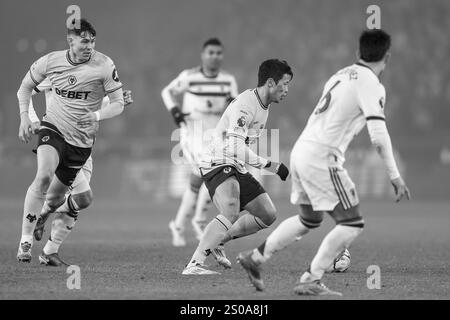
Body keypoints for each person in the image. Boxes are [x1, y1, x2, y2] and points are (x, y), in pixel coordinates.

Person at [237, 29, 411, 296]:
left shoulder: (339, 76)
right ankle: (310, 278)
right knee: (352, 223)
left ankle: (256, 259)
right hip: (322, 157)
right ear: (387, 56)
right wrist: (395, 175)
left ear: (357, 54)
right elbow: (378, 135)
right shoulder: (372, 84)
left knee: (309, 219)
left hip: (301, 151)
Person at [16, 18, 125, 263]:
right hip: (53, 129)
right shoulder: (51, 62)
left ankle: (47, 231)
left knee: (67, 199)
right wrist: (27, 118)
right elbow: (25, 88)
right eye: (85, 41)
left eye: (93, 41)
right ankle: (25, 241)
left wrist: (99, 113)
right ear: (70, 40)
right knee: (43, 175)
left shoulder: (104, 65)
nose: (90, 45)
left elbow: (113, 104)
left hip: (81, 143)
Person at [182, 59, 293, 275]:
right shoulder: (246, 104)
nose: (287, 90)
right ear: (271, 82)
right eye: (285, 83)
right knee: (231, 209)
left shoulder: (264, 106)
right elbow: (234, 146)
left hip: (235, 164)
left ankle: (219, 240)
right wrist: (269, 165)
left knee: (267, 214)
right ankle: (195, 264)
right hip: (217, 160)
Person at [27, 79, 133, 266]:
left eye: (90, 47)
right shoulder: (57, 72)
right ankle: (43, 214)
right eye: (84, 46)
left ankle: (49, 250)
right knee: (83, 198)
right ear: (73, 47)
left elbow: (89, 107)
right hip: (62, 145)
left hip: (84, 146)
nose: (88, 49)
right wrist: (33, 121)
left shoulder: (95, 75)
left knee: (77, 202)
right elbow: (26, 91)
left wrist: (115, 101)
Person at [161, 38, 238, 247]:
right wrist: (175, 111)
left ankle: (179, 225)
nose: (215, 56)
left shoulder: (228, 80)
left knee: (197, 182)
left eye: (218, 53)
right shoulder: (189, 76)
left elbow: (234, 105)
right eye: (211, 52)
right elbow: (166, 92)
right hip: (192, 133)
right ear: (203, 55)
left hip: (214, 134)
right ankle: (198, 221)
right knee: (209, 172)